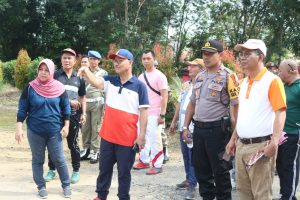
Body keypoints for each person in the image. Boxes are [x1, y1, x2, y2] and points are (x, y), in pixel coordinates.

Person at [77, 49, 149, 200]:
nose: (116, 62)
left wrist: (141, 136)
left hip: (127, 140)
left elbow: (143, 112)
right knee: (104, 170)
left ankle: (123, 197)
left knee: (124, 173)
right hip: (107, 137)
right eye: (114, 60)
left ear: (130, 63)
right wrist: (85, 70)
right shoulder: (110, 81)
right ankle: (101, 196)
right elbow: (96, 82)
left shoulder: (139, 86)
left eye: (120, 60)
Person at [226, 39, 286, 199]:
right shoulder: (244, 82)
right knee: (244, 193)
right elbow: (244, 115)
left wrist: (274, 142)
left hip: (261, 147)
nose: (242, 58)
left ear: (260, 56)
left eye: (247, 54)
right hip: (242, 146)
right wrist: (233, 139)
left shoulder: (272, 81)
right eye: (241, 54)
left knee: (261, 194)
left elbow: (280, 113)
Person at [183, 40, 240, 200]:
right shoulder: (199, 76)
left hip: (217, 131)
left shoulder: (230, 76)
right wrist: (185, 127)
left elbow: (236, 107)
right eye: (204, 54)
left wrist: (234, 137)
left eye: (210, 54)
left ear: (220, 55)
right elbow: (192, 103)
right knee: (201, 171)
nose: (206, 57)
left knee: (220, 172)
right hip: (199, 131)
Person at [15, 59, 72, 198]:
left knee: (59, 159)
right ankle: (41, 186)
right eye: (41, 69)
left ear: (51, 72)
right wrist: (19, 128)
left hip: (54, 131)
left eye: (47, 70)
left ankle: (66, 185)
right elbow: (22, 109)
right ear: (37, 71)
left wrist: (66, 125)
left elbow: (66, 108)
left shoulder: (59, 88)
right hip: (35, 131)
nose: (43, 72)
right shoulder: (30, 88)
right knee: (38, 159)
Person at [44, 48, 86, 184]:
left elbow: (82, 97)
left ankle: (76, 171)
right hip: (56, 116)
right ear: (61, 61)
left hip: (74, 116)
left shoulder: (79, 78)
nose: (67, 60)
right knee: (53, 144)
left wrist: (84, 113)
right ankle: (51, 170)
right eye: (64, 58)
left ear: (74, 61)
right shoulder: (55, 76)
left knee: (73, 144)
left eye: (70, 58)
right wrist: (68, 101)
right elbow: (50, 94)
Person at [169, 58, 205, 200]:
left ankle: (192, 183)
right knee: (185, 155)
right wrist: (173, 121)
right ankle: (188, 178)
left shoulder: (202, 85)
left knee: (193, 156)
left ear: (201, 69)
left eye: (193, 66)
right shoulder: (185, 85)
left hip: (193, 127)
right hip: (182, 126)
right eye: (189, 66)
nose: (189, 68)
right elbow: (179, 104)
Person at [133, 50, 169, 175]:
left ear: (154, 59)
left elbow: (164, 96)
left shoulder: (160, 76)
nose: (146, 61)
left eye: (148, 58)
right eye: (144, 59)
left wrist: (162, 114)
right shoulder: (141, 77)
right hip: (143, 113)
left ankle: (158, 164)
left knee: (155, 139)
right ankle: (144, 160)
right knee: (142, 136)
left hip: (155, 113)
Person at [276, 59, 300, 200]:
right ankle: (285, 193)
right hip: (280, 134)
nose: (279, 73)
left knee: (290, 166)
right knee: (280, 166)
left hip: (294, 133)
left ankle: (288, 196)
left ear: (291, 70)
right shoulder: (283, 86)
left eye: (280, 70)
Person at [80, 51, 108, 164]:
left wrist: (106, 107)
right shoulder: (83, 72)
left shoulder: (103, 73)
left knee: (96, 128)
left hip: (97, 104)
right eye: (91, 59)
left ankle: (95, 151)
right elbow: (80, 88)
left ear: (99, 60)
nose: (92, 61)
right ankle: (86, 149)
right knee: (85, 128)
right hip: (86, 103)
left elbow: (105, 90)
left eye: (95, 59)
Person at [154, 60, 170, 163]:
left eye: (155, 65)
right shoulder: (145, 76)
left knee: (161, 132)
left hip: (159, 109)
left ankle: (165, 152)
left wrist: (163, 111)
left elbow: (166, 95)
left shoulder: (161, 77)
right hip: (149, 110)